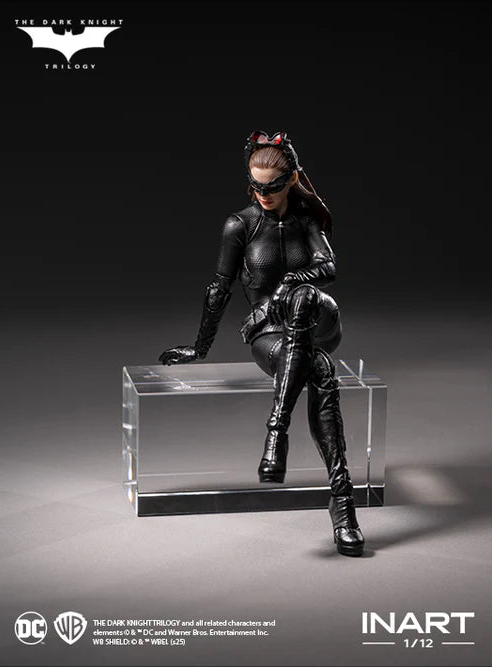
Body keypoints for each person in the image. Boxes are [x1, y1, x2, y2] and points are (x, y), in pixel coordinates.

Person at [159, 130, 365, 556]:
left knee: (304, 296)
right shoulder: (240, 225)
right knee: (320, 369)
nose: (263, 194)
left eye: (272, 186)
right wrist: (199, 348)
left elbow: (328, 268)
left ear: (292, 180)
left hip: (321, 321)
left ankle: (276, 431)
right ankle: (343, 502)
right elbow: (219, 290)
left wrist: (287, 286)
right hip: (269, 337)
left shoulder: (306, 220)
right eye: (255, 186)